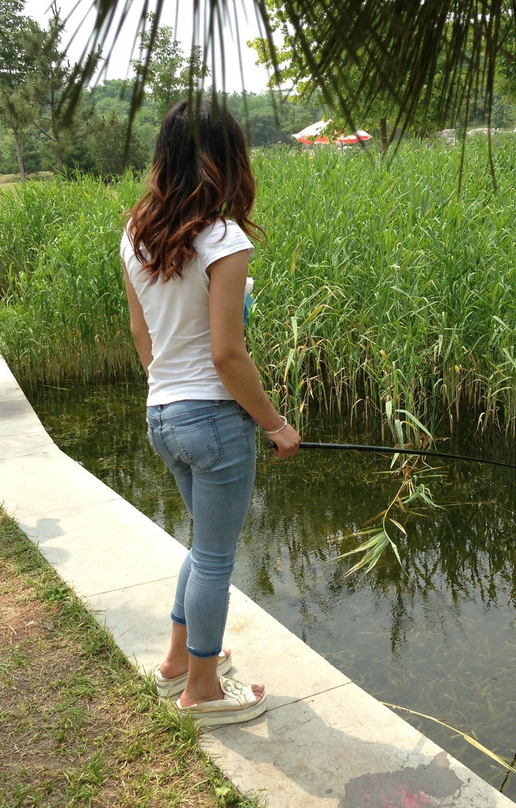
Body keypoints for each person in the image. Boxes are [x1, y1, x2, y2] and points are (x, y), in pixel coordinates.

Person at [121, 99, 300, 727]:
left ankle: (178, 663)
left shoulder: (137, 233)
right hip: (214, 420)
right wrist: (276, 425)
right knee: (217, 557)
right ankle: (201, 689)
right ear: (226, 160)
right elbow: (228, 354)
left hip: (162, 412)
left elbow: (144, 338)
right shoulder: (224, 237)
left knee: (204, 547)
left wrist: (171, 389)